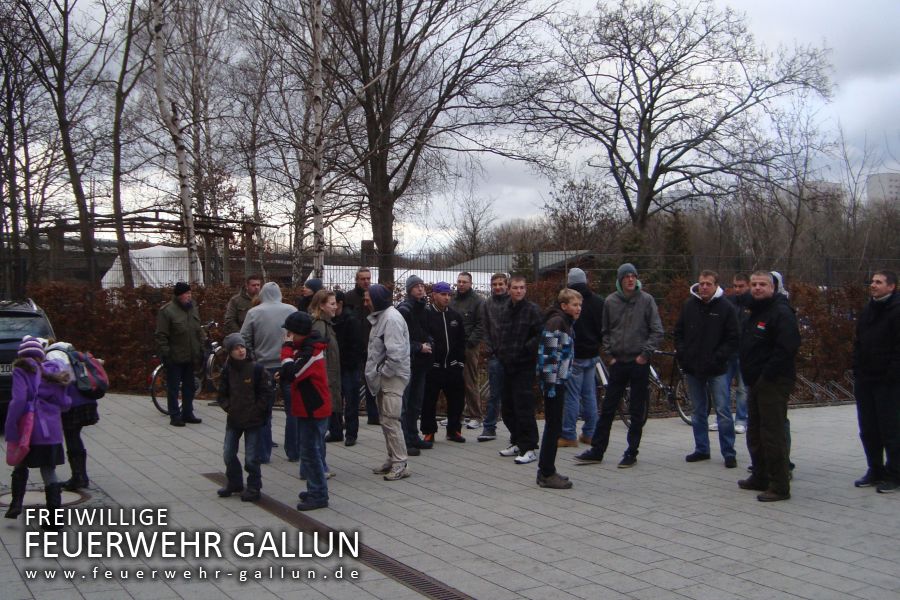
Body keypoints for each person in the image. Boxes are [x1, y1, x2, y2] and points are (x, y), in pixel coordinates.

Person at [576, 263, 664, 468]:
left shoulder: (647, 300)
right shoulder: (611, 302)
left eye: (633, 276)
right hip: (618, 362)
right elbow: (604, 331)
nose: (630, 280)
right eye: (626, 277)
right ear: (620, 280)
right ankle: (597, 450)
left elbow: (657, 330)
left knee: (636, 411)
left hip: (639, 362)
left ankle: (631, 452)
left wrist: (645, 354)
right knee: (607, 409)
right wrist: (609, 354)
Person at [737, 271, 800, 502]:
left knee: (772, 434)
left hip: (773, 381)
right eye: (753, 284)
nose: (757, 288)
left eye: (763, 284)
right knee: (755, 432)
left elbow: (786, 349)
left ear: (773, 287)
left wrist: (766, 376)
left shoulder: (781, 312)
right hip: (755, 382)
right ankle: (760, 475)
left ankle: (780, 485)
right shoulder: (755, 311)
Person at [674, 270, 740, 468]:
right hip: (693, 368)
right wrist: (683, 354)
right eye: (701, 283)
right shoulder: (689, 306)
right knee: (697, 410)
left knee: (723, 411)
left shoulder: (726, 307)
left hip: (718, 368)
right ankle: (701, 448)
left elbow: (733, 337)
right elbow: (679, 332)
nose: (704, 287)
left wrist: (719, 357)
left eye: (708, 284)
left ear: (716, 286)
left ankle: (728, 452)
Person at [4, 336, 72, 525]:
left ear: (22, 354)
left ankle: (16, 503)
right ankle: (55, 519)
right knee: (48, 471)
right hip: (52, 431)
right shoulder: (52, 371)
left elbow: (18, 400)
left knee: (20, 463)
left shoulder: (21, 369)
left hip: (30, 429)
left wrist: (10, 426)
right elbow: (65, 403)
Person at [851, 270, 900, 493]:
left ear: (892, 286)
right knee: (868, 428)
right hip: (865, 379)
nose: (873, 285)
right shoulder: (869, 308)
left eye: (878, 282)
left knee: (890, 428)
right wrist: (857, 368)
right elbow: (859, 341)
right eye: (872, 281)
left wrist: (891, 374)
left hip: (888, 382)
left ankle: (895, 473)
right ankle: (875, 469)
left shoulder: (896, 310)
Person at [241, 282, 298, 462]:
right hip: (288, 364)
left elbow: (243, 338)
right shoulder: (291, 310)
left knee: (265, 410)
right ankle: (294, 451)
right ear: (280, 293)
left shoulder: (254, 312)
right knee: (293, 410)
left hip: (263, 366)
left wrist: (253, 357)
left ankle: (263, 453)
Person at [280, 312, 332, 510]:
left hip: (313, 409)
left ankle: (319, 494)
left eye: (290, 333)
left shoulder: (311, 353)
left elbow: (292, 372)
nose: (288, 337)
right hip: (306, 407)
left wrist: (286, 348)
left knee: (311, 453)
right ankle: (314, 488)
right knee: (309, 451)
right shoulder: (304, 349)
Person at [216, 333, 272, 503]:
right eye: (236, 349)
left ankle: (254, 486)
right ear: (229, 352)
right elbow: (222, 393)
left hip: (253, 420)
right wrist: (228, 407)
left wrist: (258, 411)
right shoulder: (227, 370)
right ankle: (234, 482)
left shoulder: (256, 369)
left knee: (251, 457)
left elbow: (266, 394)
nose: (240, 351)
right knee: (228, 453)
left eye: (242, 347)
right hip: (234, 418)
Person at [495, 275, 544, 465]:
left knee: (524, 407)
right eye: (515, 288)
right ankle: (516, 440)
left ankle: (529, 446)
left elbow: (540, 335)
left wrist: (525, 351)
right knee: (508, 407)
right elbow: (501, 334)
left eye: (522, 288)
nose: (519, 291)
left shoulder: (533, 310)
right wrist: (500, 352)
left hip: (525, 365)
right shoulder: (506, 309)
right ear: (509, 289)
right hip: (507, 364)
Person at [366, 284, 412, 481]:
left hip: (392, 378)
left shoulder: (391, 319)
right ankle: (393, 458)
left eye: (368, 298)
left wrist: (383, 373)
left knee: (391, 420)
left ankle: (400, 462)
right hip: (385, 377)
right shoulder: (382, 317)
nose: (365, 301)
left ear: (377, 299)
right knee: (386, 420)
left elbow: (395, 354)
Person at [536, 288, 581, 489]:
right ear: (564, 306)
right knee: (553, 427)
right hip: (553, 384)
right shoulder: (557, 323)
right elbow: (548, 354)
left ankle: (548, 469)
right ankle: (546, 472)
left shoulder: (566, 322)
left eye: (579, 305)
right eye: (574, 305)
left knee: (555, 426)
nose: (578, 308)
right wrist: (550, 384)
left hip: (559, 380)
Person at [46, 341, 100, 491]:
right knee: (75, 436)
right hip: (86, 398)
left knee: (72, 437)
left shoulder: (53, 354)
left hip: (73, 402)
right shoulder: (71, 351)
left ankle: (79, 477)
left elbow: (63, 378)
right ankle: (80, 476)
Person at [560, 268, 602, 447]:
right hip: (593, 354)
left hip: (575, 355)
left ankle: (569, 434)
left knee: (572, 396)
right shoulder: (599, 302)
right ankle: (590, 432)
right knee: (589, 394)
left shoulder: (570, 301)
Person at [421, 282, 467, 443]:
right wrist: (428, 362)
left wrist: (460, 362)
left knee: (457, 400)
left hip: (452, 367)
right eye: (443, 294)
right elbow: (422, 339)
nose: (447, 297)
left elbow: (462, 341)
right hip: (433, 368)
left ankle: (454, 430)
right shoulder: (426, 315)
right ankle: (429, 431)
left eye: (449, 294)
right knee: (429, 401)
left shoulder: (455, 316)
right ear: (434, 295)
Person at [155, 282, 204, 427]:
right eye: (186, 294)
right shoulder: (167, 311)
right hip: (174, 357)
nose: (189, 296)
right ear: (178, 295)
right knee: (173, 387)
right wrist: (166, 354)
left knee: (189, 387)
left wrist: (202, 345)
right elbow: (161, 335)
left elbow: (197, 329)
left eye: (190, 293)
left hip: (190, 355)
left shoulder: (192, 308)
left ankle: (188, 413)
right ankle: (175, 415)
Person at [397, 275, 433, 456]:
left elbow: (427, 332)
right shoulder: (405, 310)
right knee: (405, 403)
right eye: (416, 286)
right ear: (409, 289)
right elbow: (400, 340)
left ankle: (413, 435)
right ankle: (404, 439)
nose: (420, 288)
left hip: (421, 363)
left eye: (422, 285)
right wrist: (419, 347)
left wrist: (429, 343)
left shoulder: (424, 309)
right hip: (408, 362)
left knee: (416, 403)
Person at [343, 268, 379, 425]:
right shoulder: (349, 298)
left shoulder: (374, 296)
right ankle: (350, 416)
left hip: (371, 345)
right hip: (354, 347)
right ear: (357, 280)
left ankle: (373, 415)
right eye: (363, 278)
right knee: (353, 384)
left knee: (372, 381)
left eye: (368, 278)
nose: (366, 281)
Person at [477, 272, 510, 442]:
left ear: (506, 285)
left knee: (512, 394)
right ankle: (489, 427)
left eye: (500, 284)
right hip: (495, 355)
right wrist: (491, 349)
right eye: (495, 284)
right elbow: (485, 327)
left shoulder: (513, 303)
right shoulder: (487, 304)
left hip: (512, 354)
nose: (498, 287)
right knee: (494, 393)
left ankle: (516, 427)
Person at [450, 272, 484, 429]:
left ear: (470, 283)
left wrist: (471, 342)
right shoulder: (453, 300)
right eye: (459, 281)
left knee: (470, 380)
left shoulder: (477, 302)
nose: (461, 284)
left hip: (469, 347)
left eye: (464, 282)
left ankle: (476, 415)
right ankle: (457, 415)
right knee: (454, 381)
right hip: (453, 346)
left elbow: (481, 324)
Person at [310, 290, 343, 446]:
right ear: (321, 306)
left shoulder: (326, 324)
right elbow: (318, 356)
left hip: (328, 379)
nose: (335, 307)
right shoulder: (320, 325)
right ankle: (318, 466)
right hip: (325, 381)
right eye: (332, 303)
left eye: (335, 303)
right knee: (319, 429)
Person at [334, 290, 364, 446]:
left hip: (349, 366)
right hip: (337, 366)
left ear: (339, 303)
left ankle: (351, 433)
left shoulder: (350, 319)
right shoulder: (332, 319)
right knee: (336, 399)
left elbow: (356, 344)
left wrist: (350, 362)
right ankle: (336, 431)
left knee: (351, 400)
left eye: (333, 303)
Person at [724, 273, 751, 434]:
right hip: (729, 351)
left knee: (743, 388)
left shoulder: (752, 303)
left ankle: (741, 419)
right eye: (735, 286)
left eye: (741, 286)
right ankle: (723, 419)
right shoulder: (729, 302)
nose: (738, 289)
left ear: (747, 285)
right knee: (723, 386)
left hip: (745, 352)